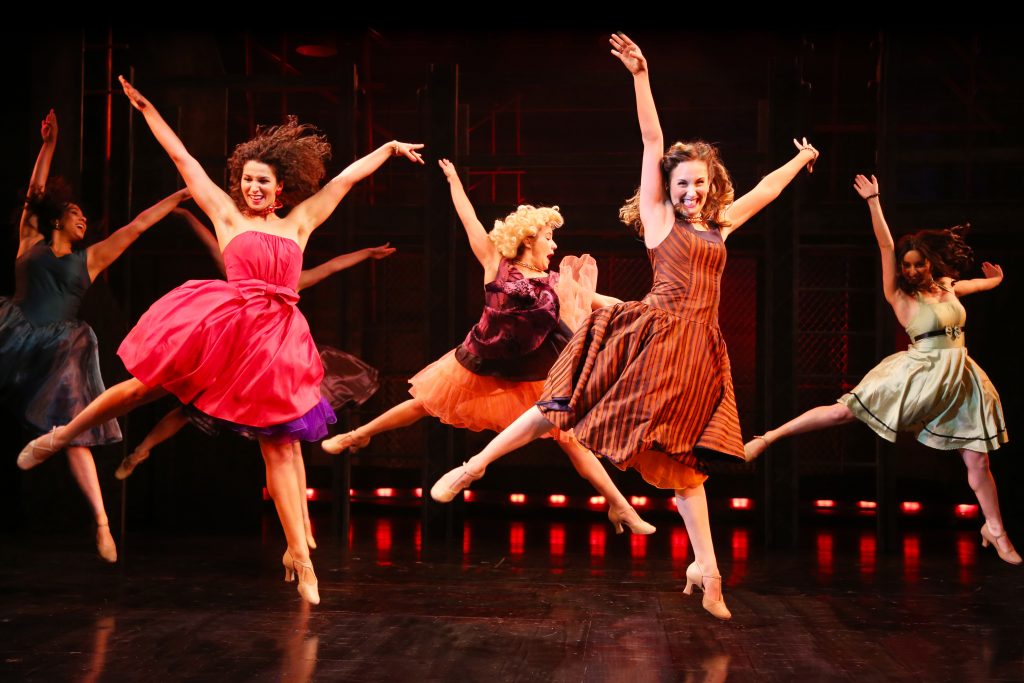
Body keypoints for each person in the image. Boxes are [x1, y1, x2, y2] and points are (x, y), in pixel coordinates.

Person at [431, 34, 819, 620]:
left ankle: (707, 571)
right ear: (668, 188)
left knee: (685, 463)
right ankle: (473, 465)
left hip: (697, 351)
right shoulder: (661, 217)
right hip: (652, 334)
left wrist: (799, 159)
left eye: (700, 184)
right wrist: (641, 76)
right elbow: (653, 139)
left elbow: (764, 192)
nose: (691, 191)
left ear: (712, 188)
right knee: (564, 400)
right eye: (682, 183)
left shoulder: (720, 227)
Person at [18, 78, 424, 604]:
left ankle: (300, 555)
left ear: (280, 189)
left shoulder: (299, 223)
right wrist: (146, 109)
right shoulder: (227, 215)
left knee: (279, 445)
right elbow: (182, 158)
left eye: (264, 182)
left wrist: (388, 149)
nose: (254, 188)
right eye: (248, 180)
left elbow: (343, 181)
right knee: (143, 389)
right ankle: (58, 436)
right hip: (222, 328)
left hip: (275, 343)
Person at [322, 158, 655, 534]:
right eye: (549, 237)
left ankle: (620, 507)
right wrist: (453, 181)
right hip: (481, 358)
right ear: (529, 239)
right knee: (424, 403)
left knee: (571, 441)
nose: (554, 244)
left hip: (530, 371)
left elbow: (601, 299)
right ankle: (358, 435)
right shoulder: (495, 263)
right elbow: (469, 221)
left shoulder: (555, 280)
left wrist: (649, 309)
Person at [744, 173, 1016, 565]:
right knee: (842, 412)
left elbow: (973, 286)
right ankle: (768, 437)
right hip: (919, 373)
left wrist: (997, 281)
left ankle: (995, 529)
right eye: (905, 266)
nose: (909, 271)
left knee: (978, 459)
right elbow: (886, 244)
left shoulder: (948, 287)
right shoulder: (899, 296)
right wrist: (874, 201)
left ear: (929, 264)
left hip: (960, 378)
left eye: (915, 265)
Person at [113, 207, 393, 550]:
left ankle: (303, 527)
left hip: (274, 360)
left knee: (283, 442)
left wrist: (365, 253)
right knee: (193, 409)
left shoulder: (291, 280)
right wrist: (188, 217)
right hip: (238, 356)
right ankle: (142, 449)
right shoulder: (239, 272)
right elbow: (215, 244)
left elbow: (330, 267)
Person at [2, 109, 189, 562]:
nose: (82, 219)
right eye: (75, 212)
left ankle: (102, 523)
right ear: (56, 218)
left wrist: (182, 194)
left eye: (85, 215)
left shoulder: (92, 258)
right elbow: (34, 193)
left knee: (72, 431)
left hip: (60, 348)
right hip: (13, 335)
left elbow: (139, 225)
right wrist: (47, 146)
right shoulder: (30, 241)